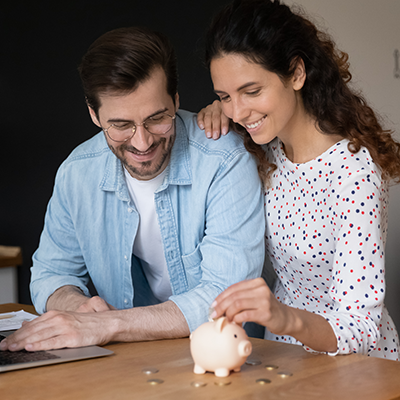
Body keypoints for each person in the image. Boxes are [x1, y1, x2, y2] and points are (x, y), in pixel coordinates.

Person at [0, 26, 264, 352]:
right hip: (130, 361)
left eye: (157, 119)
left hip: (225, 357)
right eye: (121, 125)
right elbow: (51, 272)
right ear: (94, 114)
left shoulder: (225, 160)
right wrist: (78, 309)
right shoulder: (77, 173)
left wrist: (107, 324)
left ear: (176, 100)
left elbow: (226, 295)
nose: (143, 142)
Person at [198, 0, 400, 360]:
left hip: (356, 369)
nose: (238, 111)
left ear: (296, 73)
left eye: (252, 91)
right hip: (286, 358)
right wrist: (220, 113)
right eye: (224, 96)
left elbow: (362, 327)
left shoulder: (354, 173)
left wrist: (284, 317)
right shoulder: (264, 149)